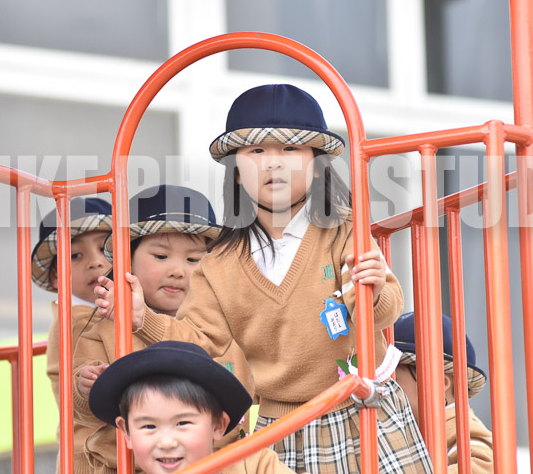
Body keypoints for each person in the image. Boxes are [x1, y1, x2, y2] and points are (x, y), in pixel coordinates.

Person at [105, 84, 432, 473]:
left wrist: (374, 290)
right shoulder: (220, 264)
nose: (273, 163)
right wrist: (144, 318)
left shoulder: (343, 230)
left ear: (317, 167)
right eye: (257, 152)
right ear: (236, 171)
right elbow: (200, 341)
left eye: (290, 149)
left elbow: (380, 311)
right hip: (282, 425)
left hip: (359, 405)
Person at [73, 185, 254, 474]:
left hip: (217, 465)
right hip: (129, 467)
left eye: (193, 260)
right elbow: (83, 412)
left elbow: (255, 385)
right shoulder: (103, 330)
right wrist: (84, 387)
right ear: (127, 259)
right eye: (161, 256)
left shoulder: (221, 328)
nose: (178, 271)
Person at [89, 340, 296, 474]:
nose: (167, 442)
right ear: (126, 432)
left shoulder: (253, 466)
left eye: (182, 423)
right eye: (149, 426)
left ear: (218, 425)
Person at [31, 197, 113, 473]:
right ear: (56, 276)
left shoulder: (108, 311)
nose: (95, 262)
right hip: (90, 458)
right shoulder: (76, 320)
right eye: (75, 255)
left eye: (105, 248)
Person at [393, 312, 493, 474]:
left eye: (395, 380)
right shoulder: (412, 428)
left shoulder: (459, 426)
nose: (385, 389)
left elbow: (484, 466)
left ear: (438, 383)